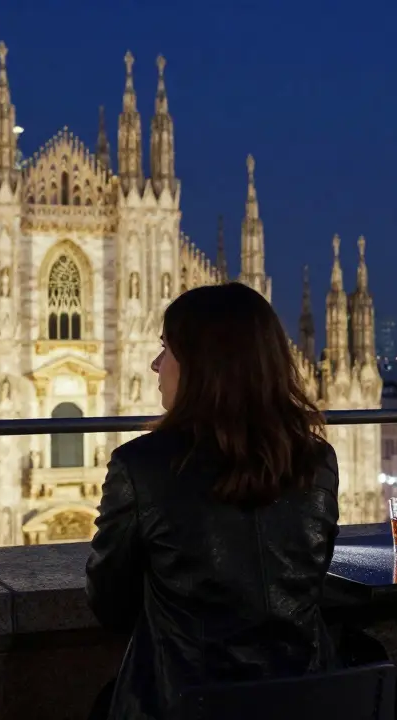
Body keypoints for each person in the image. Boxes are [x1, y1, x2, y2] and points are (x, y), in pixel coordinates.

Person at [85, 282, 341, 720]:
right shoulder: (315, 459)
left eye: (167, 350)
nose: (155, 364)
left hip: (182, 704)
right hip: (304, 700)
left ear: (203, 366)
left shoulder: (140, 466)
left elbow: (109, 600)